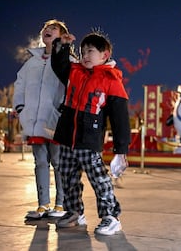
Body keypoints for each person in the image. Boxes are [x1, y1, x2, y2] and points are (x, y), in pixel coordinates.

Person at [51, 31, 130, 236]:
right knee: (67, 177)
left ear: (104, 55)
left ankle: (110, 217)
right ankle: (74, 212)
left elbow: (120, 118)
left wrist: (121, 150)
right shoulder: (74, 71)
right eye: (82, 51)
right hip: (68, 137)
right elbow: (58, 65)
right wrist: (62, 45)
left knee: (99, 179)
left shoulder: (111, 79)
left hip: (89, 139)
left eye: (90, 51)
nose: (85, 55)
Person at [13, 19, 73, 219]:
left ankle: (61, 203)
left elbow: (72, 85)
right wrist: (20, 107)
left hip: (56, 119)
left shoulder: (68, 59)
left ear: (62, 35)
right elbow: (20, 84)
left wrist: (64, 108)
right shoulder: (32, 62)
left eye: (53, 28)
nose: (48, 30)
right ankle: (43, 204)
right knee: (40, 161)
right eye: (46, 28)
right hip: (35, 120)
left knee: (58, 161)